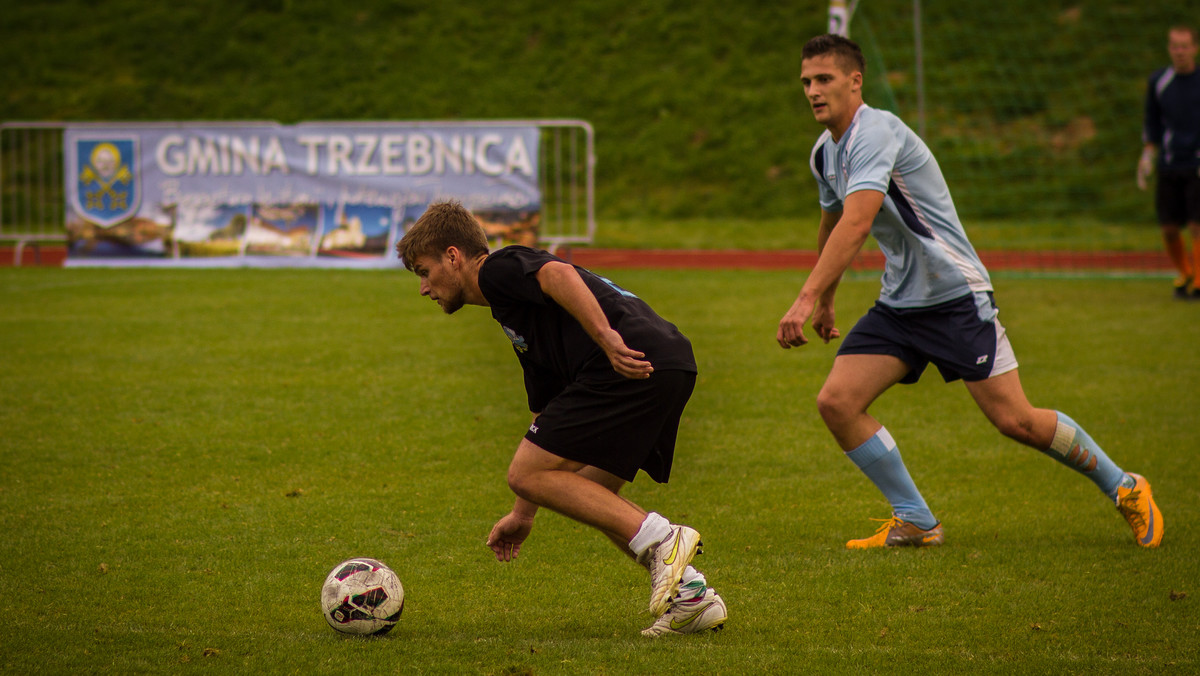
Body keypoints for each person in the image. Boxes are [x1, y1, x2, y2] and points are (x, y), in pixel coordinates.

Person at [776, 34, 1163, 550]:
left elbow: (858, 222)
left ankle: (1126, 486)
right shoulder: (825, 153)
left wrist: (804, 300)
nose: (813, 91)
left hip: (956, 296)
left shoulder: (877, 132)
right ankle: (916, 519)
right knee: (838, 402)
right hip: (900, 303)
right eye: (806, 81)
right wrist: (825, 300)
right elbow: (833, 225)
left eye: (824, 79)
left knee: (1016, 420)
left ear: (855, 81)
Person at [396, 201, 727, 637]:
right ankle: (693, 599)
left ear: (454, 257)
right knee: (589, 492)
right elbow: (545, 413)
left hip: (626, 362)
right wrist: (525, 514)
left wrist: (607, 338)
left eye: (424, 271)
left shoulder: (496, 269)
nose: (424, 287)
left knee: (524, 472)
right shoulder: (512, 313)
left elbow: (558, 273)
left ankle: (665, 539)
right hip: (664, 362)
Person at [1139, 24, 1200, 300]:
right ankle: (1185, 272)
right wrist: (1148, 155)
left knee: (1197, 224)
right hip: (1169, 162)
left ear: (1195, 48)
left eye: (1184, 46)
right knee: (1169, 227)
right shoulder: (1160, 82)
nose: (1180, 51)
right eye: (1174, 46)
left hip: (1196, 163)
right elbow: (1152, 121)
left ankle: (1199, 282)